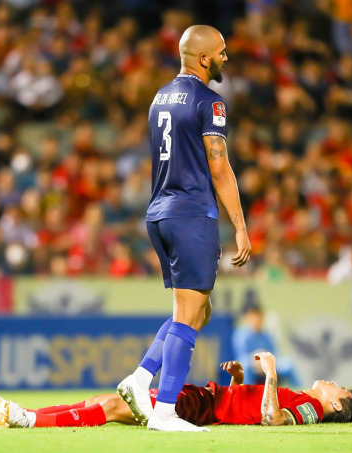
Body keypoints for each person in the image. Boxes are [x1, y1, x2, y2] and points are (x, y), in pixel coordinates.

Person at [115, 25, 252, 432]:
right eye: (222, 52)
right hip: (191, 214)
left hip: (160, 213)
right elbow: (219, 167)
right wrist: (241, 228)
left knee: (196, 312)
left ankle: (139, 380)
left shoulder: (160, 97)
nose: (227, 58)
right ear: (204, 58)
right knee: (189, 313)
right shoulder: (211, 102)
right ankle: (166, 411)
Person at [0, 352, 352, 429]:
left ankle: (27, 419)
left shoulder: (311, 410)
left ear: (337, 404)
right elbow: (251, 409)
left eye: (341, 389)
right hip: (208, 399)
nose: (334, 383)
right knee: (105, 402)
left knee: (112, 405)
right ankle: (27, 414)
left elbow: (271, 419)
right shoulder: (304, 400)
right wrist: (238, 381)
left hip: (202, 409)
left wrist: (270, 374)